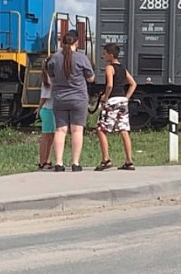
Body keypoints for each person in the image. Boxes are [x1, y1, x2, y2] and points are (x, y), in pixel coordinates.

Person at [46, 30, 95, 172]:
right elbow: (90, 78)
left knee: (60, 130)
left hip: (60, 99)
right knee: (77, 130)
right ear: (76, 43)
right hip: (79, 98)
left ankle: (59, 163)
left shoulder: (54, 58)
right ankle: (75, 163)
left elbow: (52, 77)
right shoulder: (81, 58)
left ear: (62, 42)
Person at [94, 43, 137, 171]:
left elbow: (109, 85)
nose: (103, 56)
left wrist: (105, 97)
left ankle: (106, 159)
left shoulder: (109, 68)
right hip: (123, 101)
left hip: (112, 100)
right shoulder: (123, 69)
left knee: (101, 129)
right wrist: (127, 97)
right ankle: (129, 161)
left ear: (111, 55)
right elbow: (133, 84)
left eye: (104, 53)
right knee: (123, 129)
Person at [36, 57, 55, 170]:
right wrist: (39, 108)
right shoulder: (49, 79)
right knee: (46, 136)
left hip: (49, 110)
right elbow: (44, 97)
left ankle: (46, 160)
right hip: (49, 110)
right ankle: (43, 161)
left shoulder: (47, 77)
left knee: (50, 136)